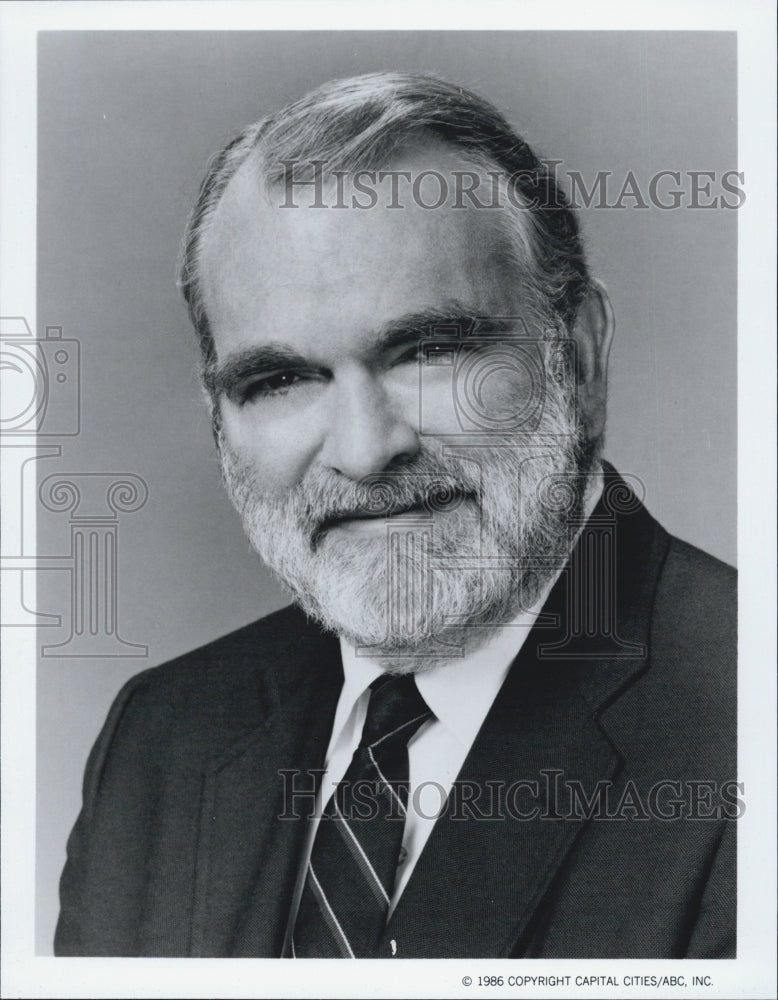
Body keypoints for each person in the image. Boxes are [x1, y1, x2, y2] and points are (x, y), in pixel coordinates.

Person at [55, 73, 736, 959]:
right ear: (220, 414)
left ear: (578, 354)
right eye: (281, 380)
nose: (366, 451)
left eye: (429, 349)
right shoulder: (163, 736)